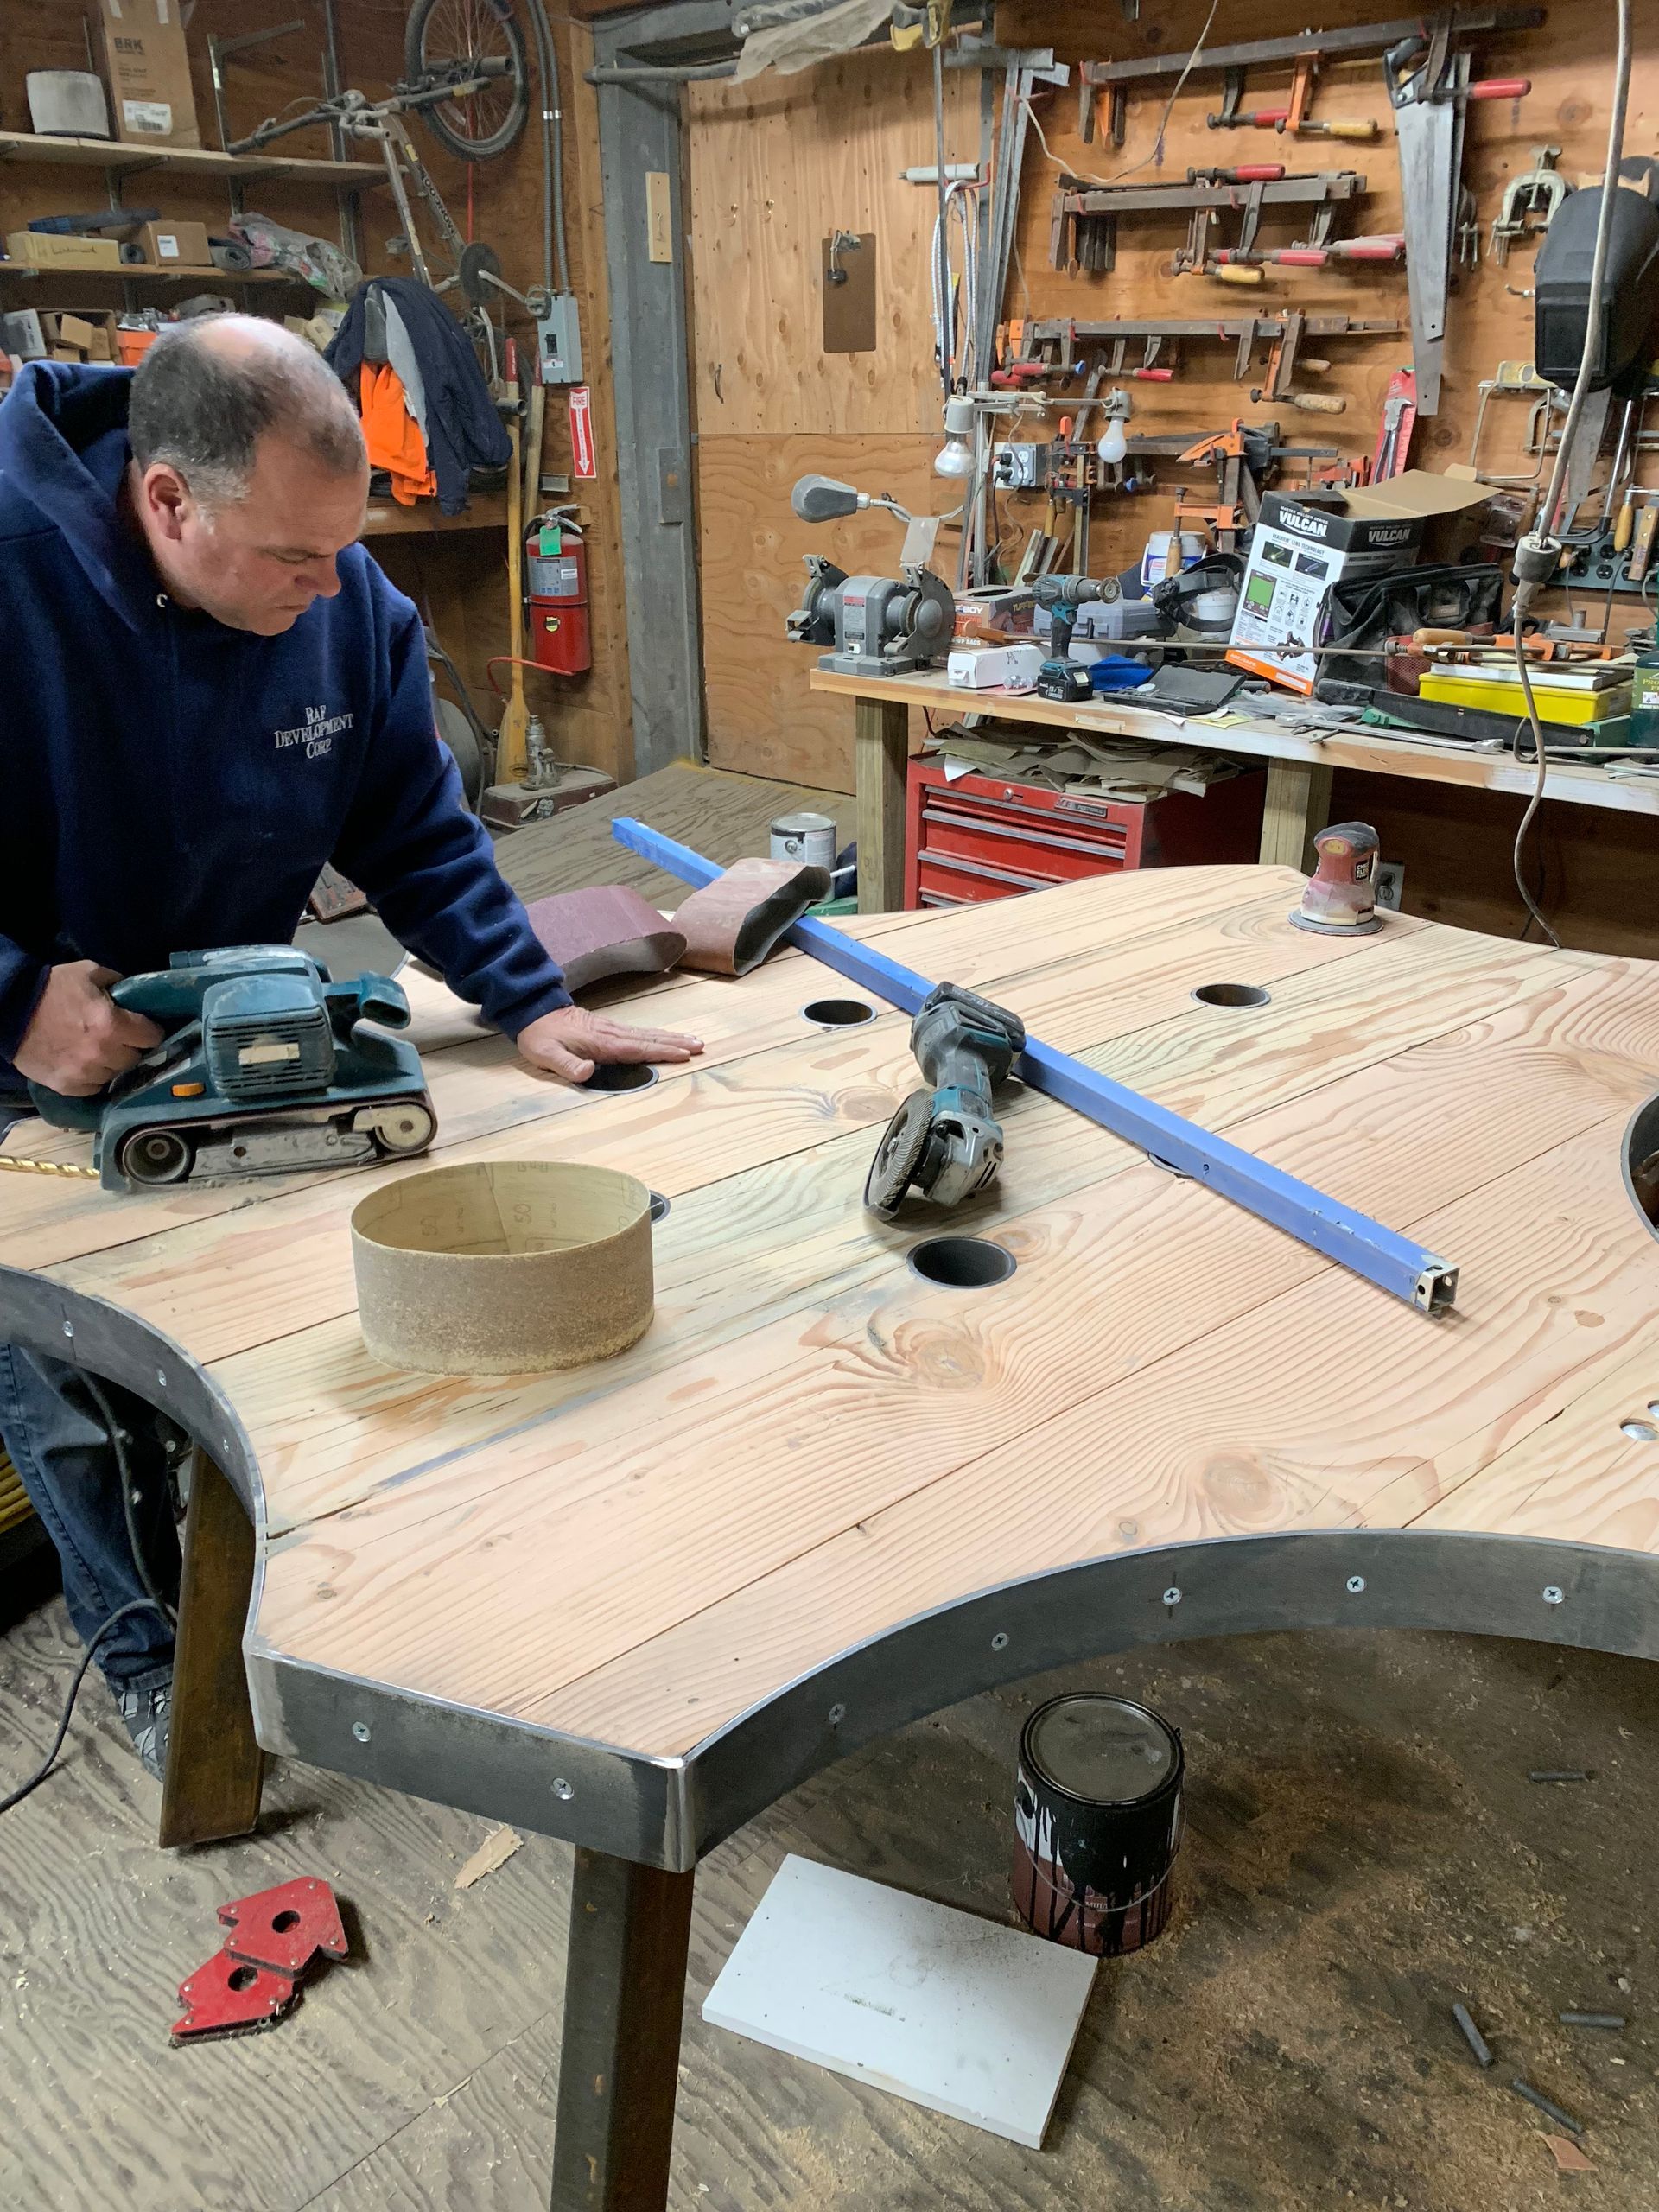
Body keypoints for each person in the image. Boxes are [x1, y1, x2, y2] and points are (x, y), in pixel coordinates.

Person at [0, 317, 701, 1779]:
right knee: (65, 1375)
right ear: (168, 498)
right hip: (24, 1051)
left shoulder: (345, 600)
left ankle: (282, 1597)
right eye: (293, 562)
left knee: (258, 1316)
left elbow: (418, 833)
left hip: (210, 1022)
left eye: (344, 551)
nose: (335, 591)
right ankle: (145, 1657)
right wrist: (10, 1000)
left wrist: (528, 999)